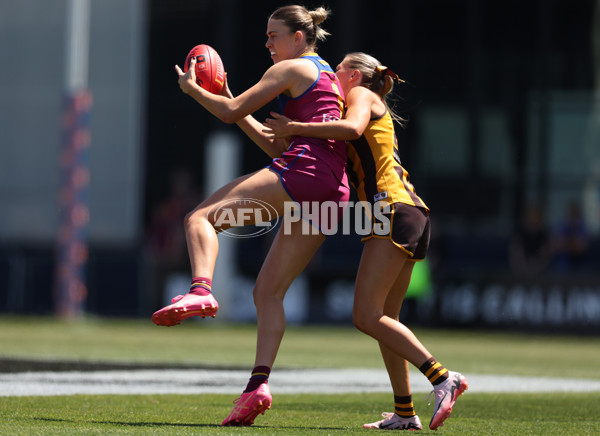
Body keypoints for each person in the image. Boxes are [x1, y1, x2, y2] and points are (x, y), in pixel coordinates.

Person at [151, 5, 349, 427]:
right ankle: (257, 386)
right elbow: (272, 141)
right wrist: (225, 97)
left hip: (304, 173)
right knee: (267, 293)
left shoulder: (290, 69)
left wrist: (194, 91)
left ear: (298, 38)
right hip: (333, 190)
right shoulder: (325, 74)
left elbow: (228, 115)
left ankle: (201, 289)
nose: (267, 43)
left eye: (273, 35)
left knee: (198, 219)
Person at [264, 52, 468, 431]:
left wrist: (296, 124)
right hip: (407, 210)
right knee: (384, 321)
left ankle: (442, 378)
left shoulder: (359, 95)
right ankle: (405, 413)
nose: (331, 73)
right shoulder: (361, 99)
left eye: (337, 68)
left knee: (366, 315)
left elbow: (354, 129)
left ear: (354, 74)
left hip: (390, 209)